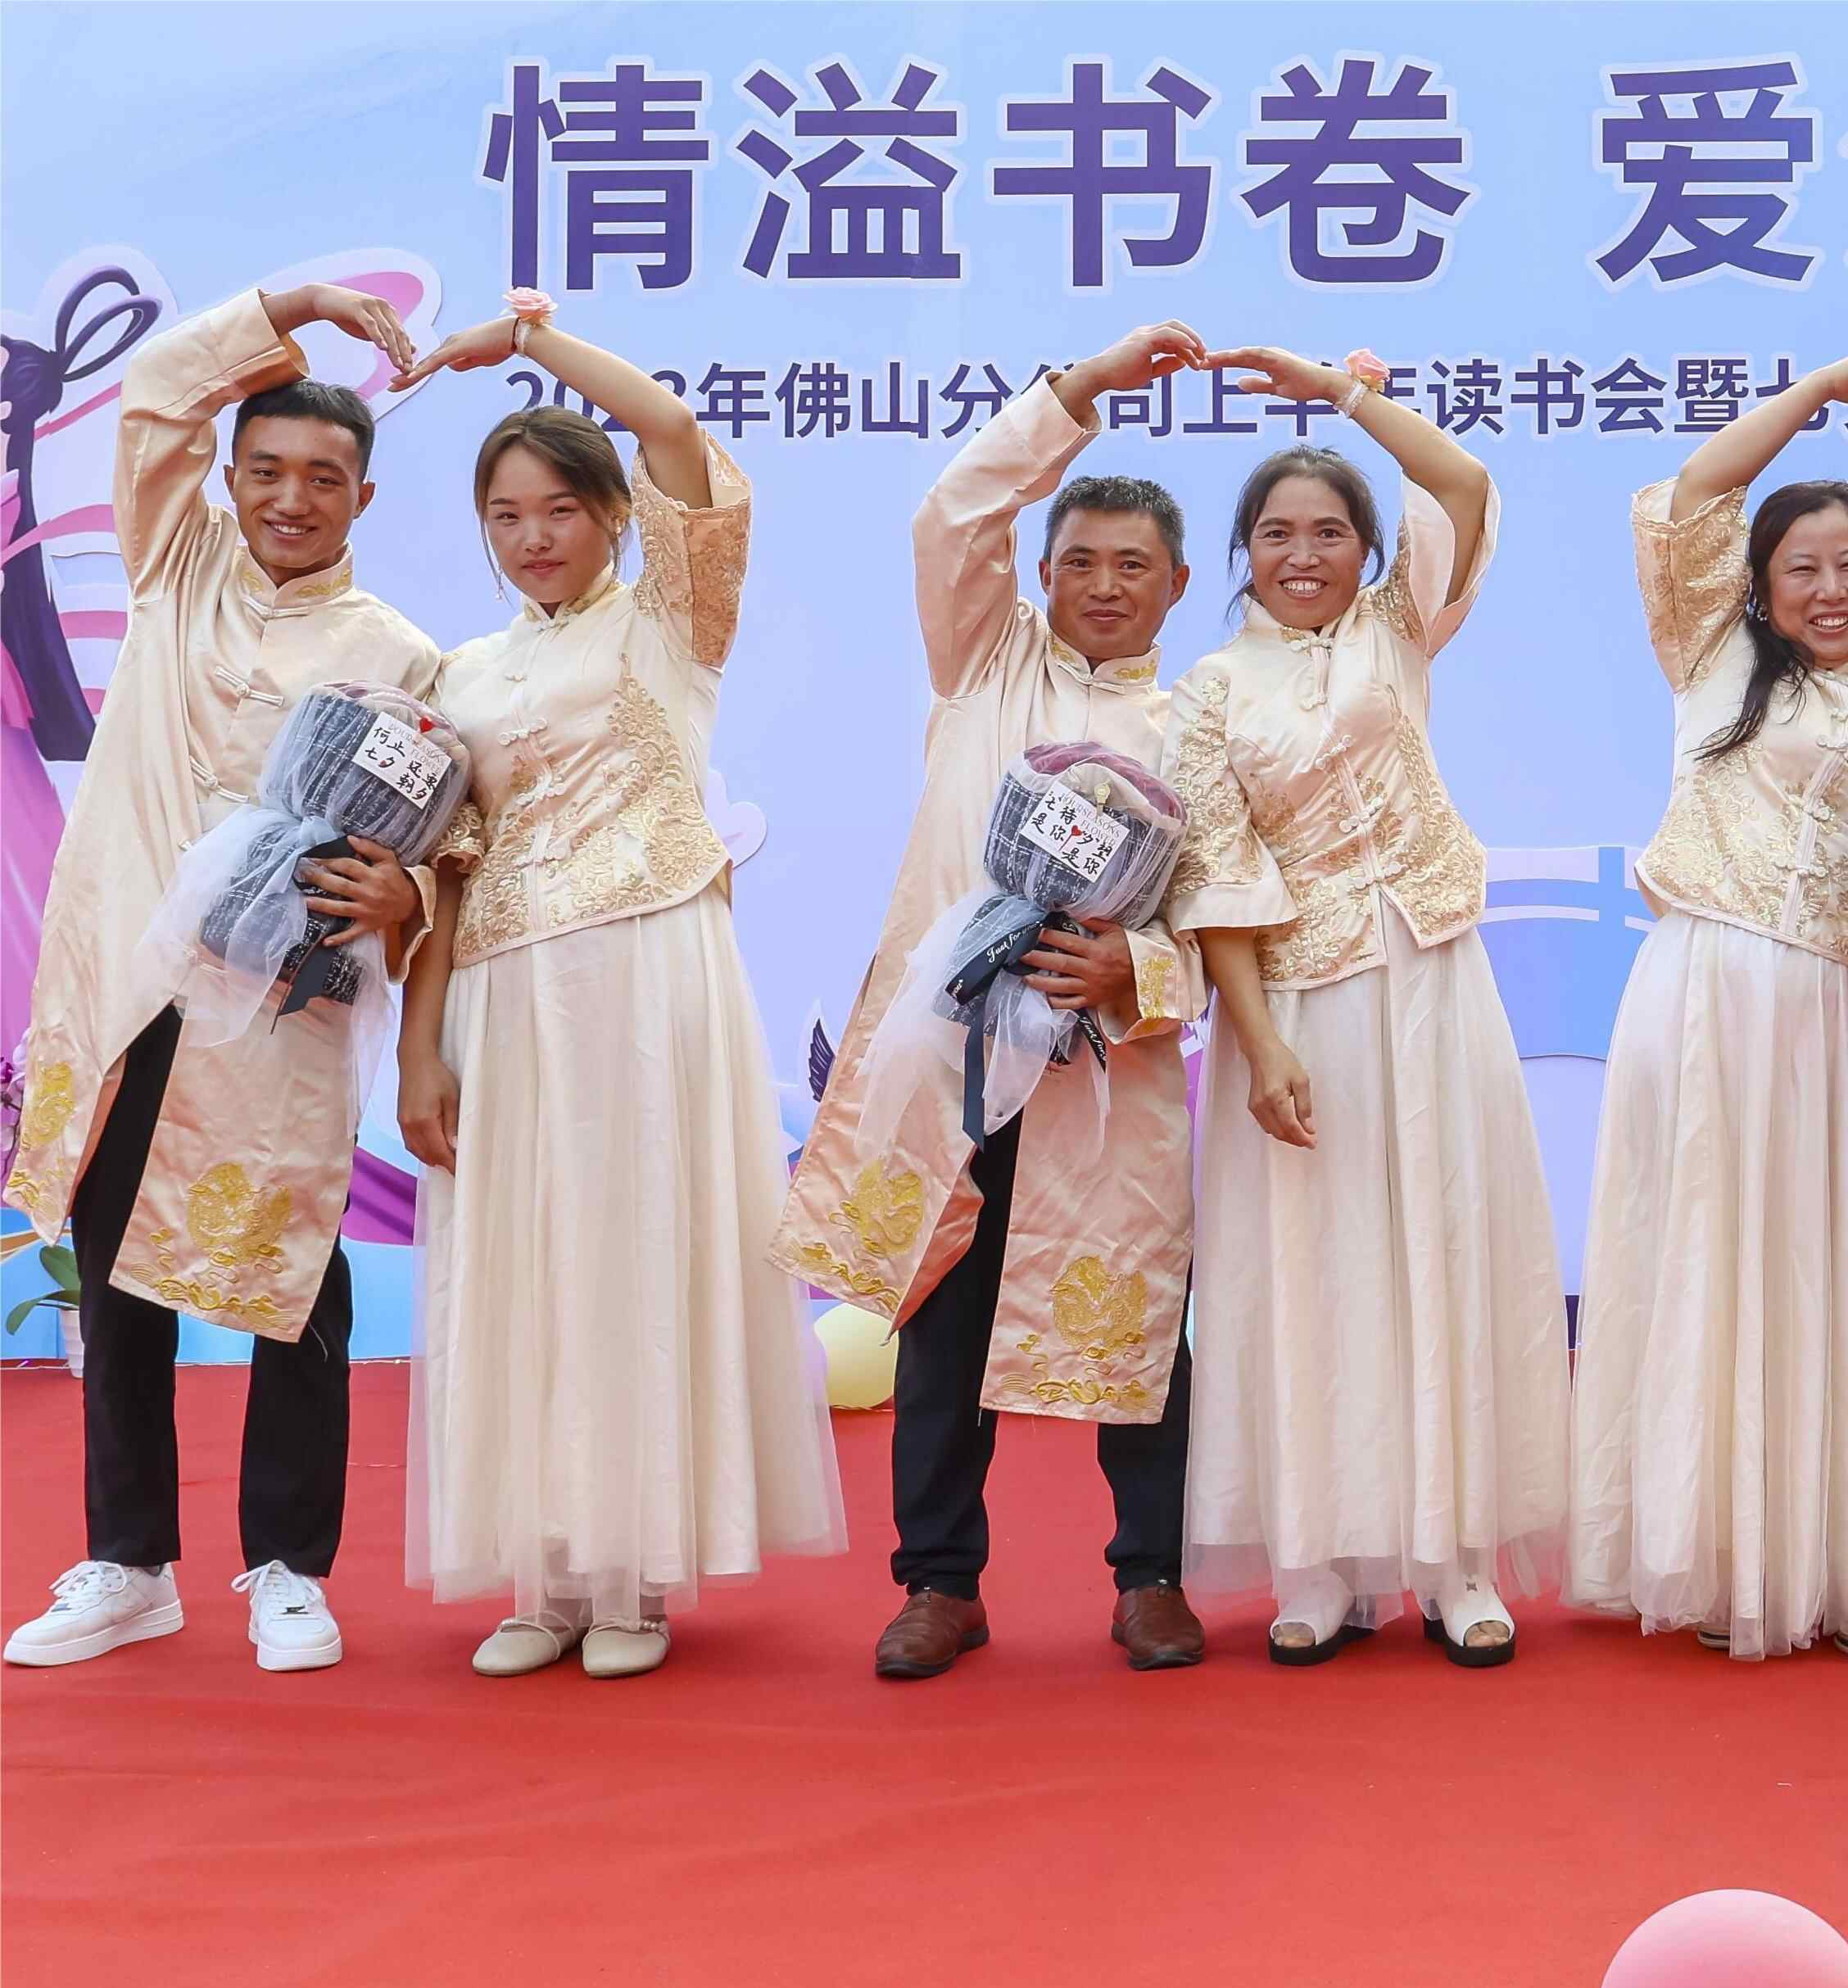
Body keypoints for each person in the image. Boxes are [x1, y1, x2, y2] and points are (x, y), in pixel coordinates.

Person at [391, 298, 845, 1678]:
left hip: (646, 976)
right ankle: (545, 1575)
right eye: (505, 516)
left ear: (611, 516)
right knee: (520, 1268)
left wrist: (531, 344)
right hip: (501, 997)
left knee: (631, 1253)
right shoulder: (459, 675)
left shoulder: (668, 626)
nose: (533, 537)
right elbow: (445, 868)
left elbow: (673, 429)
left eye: (559, 510)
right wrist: (419, 1050)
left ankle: (636, 1576)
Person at [4, 283, 437, 1674]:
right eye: (267, 471)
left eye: (323, 478)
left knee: (292, 1276)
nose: (291, 499)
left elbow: (440, 836)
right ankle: (130, 1563)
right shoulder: (175, 569)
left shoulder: (401, 654)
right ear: (230, 480)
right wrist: (292, 307)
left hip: (275, 1007)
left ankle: (291, 1568)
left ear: (364, 495)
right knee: (115, 1270)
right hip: (128, 978)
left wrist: (410, 895)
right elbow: (153, 399)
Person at [775, 323, 1216, 1680]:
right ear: (1038, 574)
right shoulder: (984, 664)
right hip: (953, 1055)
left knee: (1136, 1324)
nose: (1103, 585)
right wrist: (1081, 391)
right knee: (939, 1321)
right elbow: (952, 509)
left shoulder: (1205, 728)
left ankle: (1150, 1577)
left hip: (1105, 1071)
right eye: (1078, 561)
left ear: (1178, 584)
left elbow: (1232, 916)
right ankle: (939, 1582)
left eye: (1131, 565)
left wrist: (1137, 973)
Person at [1563, 349, 1848, 1661]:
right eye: (1800, 567)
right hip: (1707, 993)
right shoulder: (1707, 660)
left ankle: (1847, 1570)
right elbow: (1690, 496)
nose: (1828, 589)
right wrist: (1818, 394)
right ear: (1757, 587)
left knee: (1838, 1279)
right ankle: (1716, 1562)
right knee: (1709, 1264)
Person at [1165, 346, 1569, 1669]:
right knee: (1312, 1277)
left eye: (1329, 532)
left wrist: (1339, 396)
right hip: (1297, 1009)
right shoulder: (1209, 691)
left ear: (1365, 552)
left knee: (1443, 1251)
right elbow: (1216, 878)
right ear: (1242, 553)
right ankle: (1321, 1566)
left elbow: (1461, 483)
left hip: (1431, 975)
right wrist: (1258, 1045)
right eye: (1277, 534)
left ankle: (1457, 1563)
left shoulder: (1398, 632)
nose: (1304, 555)